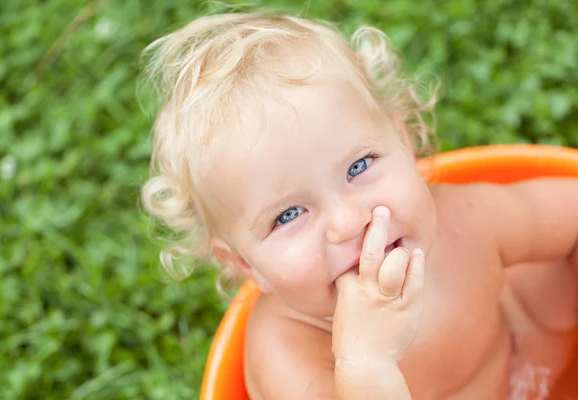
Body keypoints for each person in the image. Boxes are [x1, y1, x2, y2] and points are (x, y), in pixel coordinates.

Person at [140, 10, 578, 399]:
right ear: (244, 265)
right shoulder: (287, 353)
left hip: (533, 357)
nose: (350, 222)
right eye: (288, 215)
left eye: (359, 166)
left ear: (404, 145)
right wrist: (366, 365)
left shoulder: (467, 221)